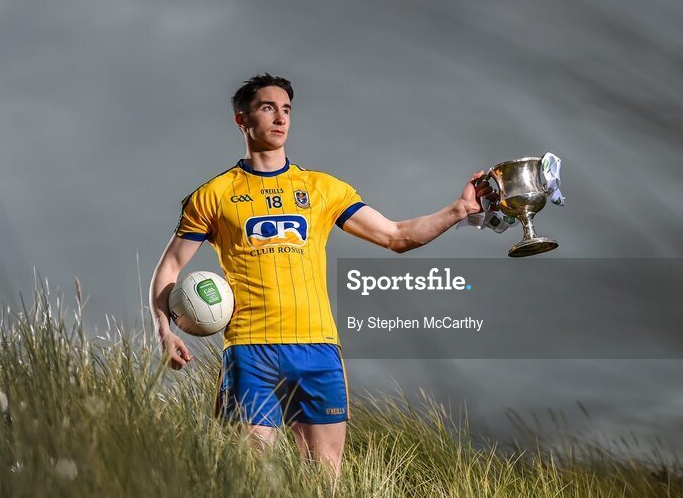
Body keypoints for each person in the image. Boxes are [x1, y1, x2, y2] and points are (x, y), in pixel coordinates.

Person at [149, 73, 488, 476]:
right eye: (268, 108)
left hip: (318, 349)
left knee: (324, 483)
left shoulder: (323, 189)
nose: (280, 118)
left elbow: (396, 236)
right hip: (251, 349)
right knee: (249, 483)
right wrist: (164, 330)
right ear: (242, 120)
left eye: (287, 109)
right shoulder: (214, 194)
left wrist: (459, 210)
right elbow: (170, 266)